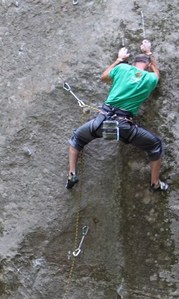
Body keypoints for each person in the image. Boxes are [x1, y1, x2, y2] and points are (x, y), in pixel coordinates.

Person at [66, 40, 169, 192]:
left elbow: (104, 77)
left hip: (101, 122)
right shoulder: (150, 79)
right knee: (155, 145)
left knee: (77, 139)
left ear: (132, 63)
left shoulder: (122, 68)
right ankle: (155, 183)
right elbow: (157, 75)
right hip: (124, 127)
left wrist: (119, 59)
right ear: (148, 66)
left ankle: (72, 173)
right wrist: (149, 53)